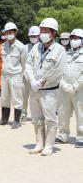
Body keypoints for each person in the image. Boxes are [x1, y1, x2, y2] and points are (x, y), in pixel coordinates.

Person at [25, 17, 66, 156]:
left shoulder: (60, 50)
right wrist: (32, 80)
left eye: (45, 31)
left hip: (49, 91)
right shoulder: (37, 47)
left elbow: (58, 71)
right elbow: (28, 64)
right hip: (34, 90)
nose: (42, 33)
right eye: (41, 30)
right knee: (37, 118)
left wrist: (41, 82)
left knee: (50, 119)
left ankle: (49, 145)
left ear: (53, 33)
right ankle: (39, 144)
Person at [55, 28, 83, 147]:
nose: (73, 40)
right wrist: (62, 84)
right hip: (64, 89)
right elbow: (58, 70)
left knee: (81, 113)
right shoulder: (65, 54)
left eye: (76, 38)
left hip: (80, 90)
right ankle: (63, 134)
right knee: (63, 113)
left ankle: (81, 137)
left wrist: (75, 86)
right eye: (72, 38)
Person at [0, 22, 28, 129]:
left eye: (11, 32)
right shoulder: (3, 45)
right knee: (4, 97)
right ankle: (4, 119)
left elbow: (24, 63)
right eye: (7, 32)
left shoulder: (21, 47)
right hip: (5, 75)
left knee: (17, 98)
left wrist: (23, 76)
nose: (9, 34)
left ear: (15, 32)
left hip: (16, 75)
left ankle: (16, 121)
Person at [22, 26, 40, 120]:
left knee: (35, 98)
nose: (33, 37)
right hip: (25, 76)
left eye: (35, 36)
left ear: (39, 36)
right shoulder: (24, 47)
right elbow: (22, 62)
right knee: (24, 97)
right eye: (31, 36)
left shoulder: (42, 47)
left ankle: (35, 116)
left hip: (36, 77)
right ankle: (23, 113)